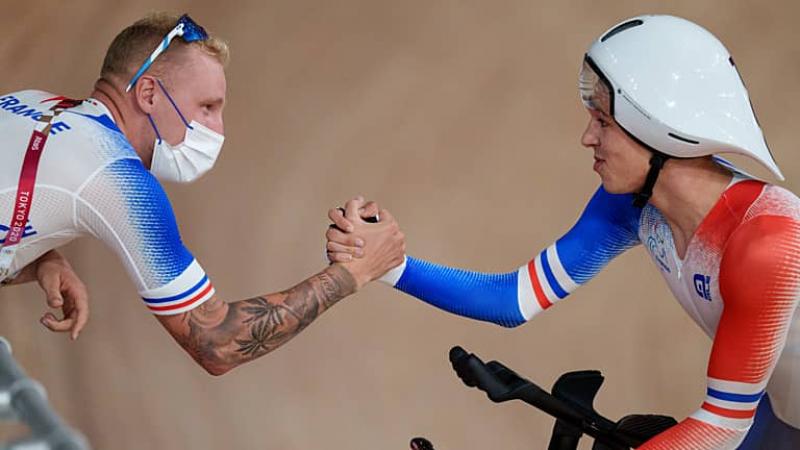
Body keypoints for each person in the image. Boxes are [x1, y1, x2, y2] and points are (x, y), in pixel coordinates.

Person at [328, 15, 799, 448]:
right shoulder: (635, 205)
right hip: (776, 411)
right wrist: (387, 266)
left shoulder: (767, 245)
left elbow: (721, 424)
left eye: (603, 122)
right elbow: (512, 300)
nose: (587, 138)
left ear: (661, 132)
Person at [0, 12, 405, 375]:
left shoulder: (30, 101)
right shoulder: (119, 179)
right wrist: (354, 272)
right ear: (149, 94)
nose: (217, 129)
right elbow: (217, 341)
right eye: (207, 107)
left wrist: (35, 258)